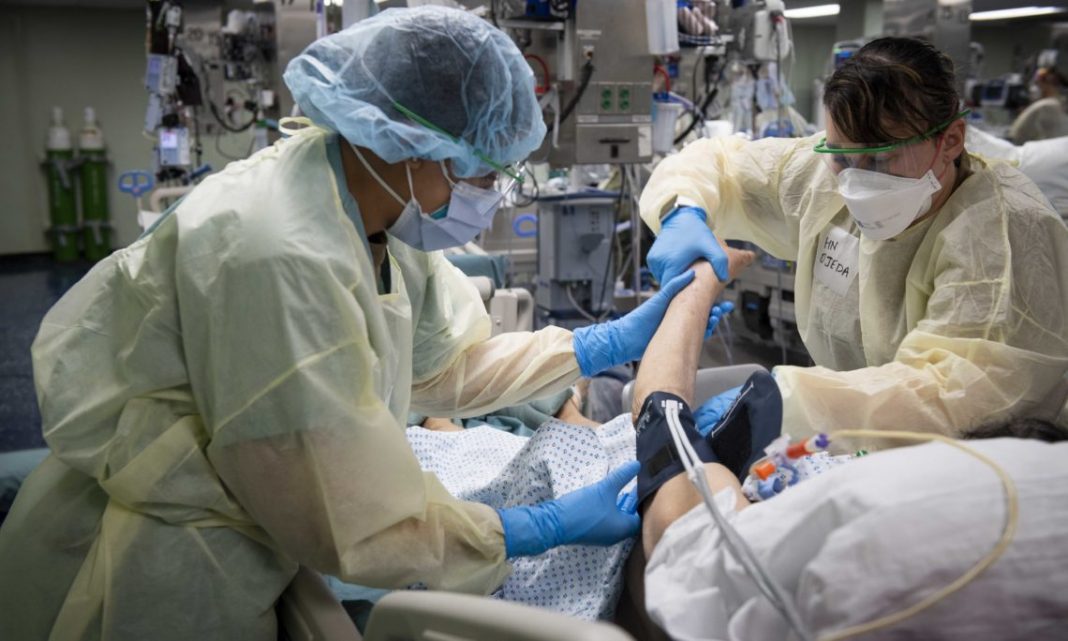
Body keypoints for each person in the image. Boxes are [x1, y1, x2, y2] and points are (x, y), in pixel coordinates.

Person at [0, 8, 726, 641]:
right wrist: (532, 529)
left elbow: (441, 367)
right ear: (406, 143)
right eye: (478, 174)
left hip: (241, 517)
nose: (490, 197)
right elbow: (350, 514)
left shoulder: (368, 206)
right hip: (168, 557)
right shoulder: (280, 254)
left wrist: (596, 345)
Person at [639, 37, 1068, 439]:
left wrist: (788, 405)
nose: (857, 181)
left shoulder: (1003, 233)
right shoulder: (822, 176)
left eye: (881, 158)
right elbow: (719, 164)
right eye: (843, 158)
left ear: (951, 140)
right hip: (851, 440)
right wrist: (684, 209)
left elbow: (953, 396)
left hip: (977, 465)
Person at [623, 259, 1068, 640]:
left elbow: (689, 556)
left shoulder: (895, 508)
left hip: (694, 534)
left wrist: (698, 285)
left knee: (621, 405)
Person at [1009, 66, 1068, 144]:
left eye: (1037, 83)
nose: (1033, 88)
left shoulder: (1045, 106)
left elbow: (1015, 137)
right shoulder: (1059, 104)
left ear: (1048, 84)